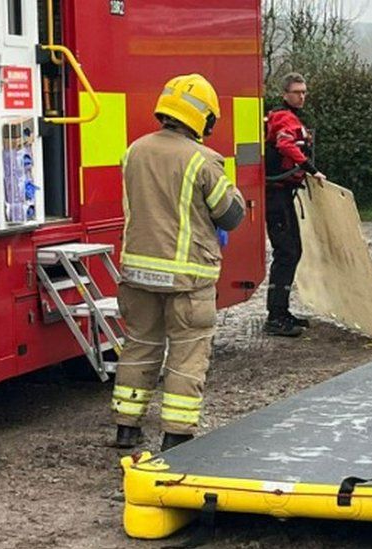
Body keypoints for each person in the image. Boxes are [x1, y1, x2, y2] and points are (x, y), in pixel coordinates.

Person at [112, 74, 245, 452]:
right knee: (187, 354)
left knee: (139, 346)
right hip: (188, 277)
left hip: (136, 274)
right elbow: (230, 215)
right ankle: (176, 436)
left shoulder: (134, 150)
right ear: (203, 118)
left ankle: (126, 427)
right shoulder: (203, 160)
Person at [263, 72, 327, 337]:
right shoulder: (283, 118)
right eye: (297, 92)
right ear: (285, 94)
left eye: (304, 91)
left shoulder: (289, 117)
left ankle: (281, 311)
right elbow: (285, 143)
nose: (302, 96)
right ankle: (275, 317)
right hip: (276, 195)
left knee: (291, 251)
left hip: (283, 193)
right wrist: (311, 169)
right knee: (287, 252)